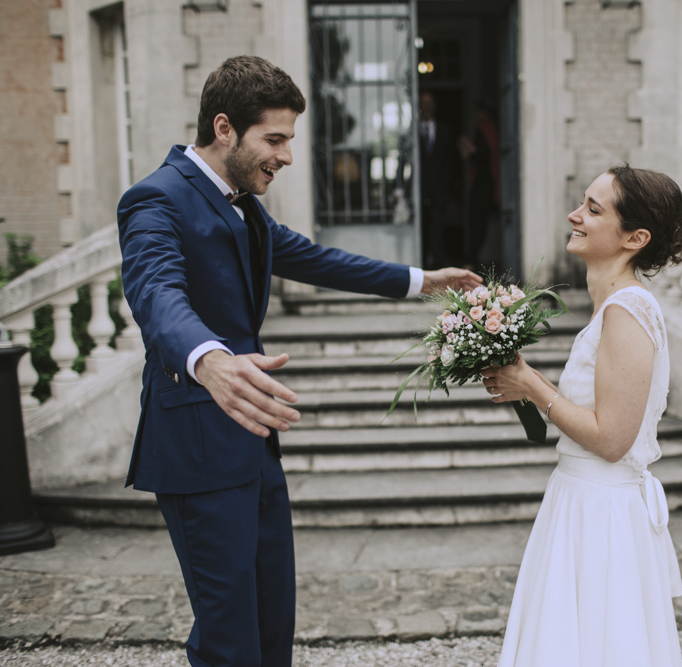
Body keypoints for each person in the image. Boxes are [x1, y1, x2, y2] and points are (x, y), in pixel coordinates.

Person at [117, 55, 481, 667]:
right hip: (198, 447)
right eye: (275, 139)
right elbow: (156, 293)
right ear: (225, 128)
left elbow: (316, 259)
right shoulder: (155, 199)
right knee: (228, 639)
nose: (286, 155)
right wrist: (209, 358)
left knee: (271, 621)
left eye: (289, 139)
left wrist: (423, 280)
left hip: (255, 443)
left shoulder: (244, 205)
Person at [481, 164, 682, 666]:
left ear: (635, 238)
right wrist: (523, 380)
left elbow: (612, 439)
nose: (575, 215)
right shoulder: (613, 305)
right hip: (577, 499)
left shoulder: (627, 310)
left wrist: (532, 385)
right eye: (582, 203)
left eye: (593, 210)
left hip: (603, 513)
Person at [457, 101, 501, 265]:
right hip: (487, 181)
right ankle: (473, 258)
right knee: (477, 222)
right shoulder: (488, 129)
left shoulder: (485, 130)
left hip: (485, 182)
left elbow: (484, 156)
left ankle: (472, 259)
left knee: (478, 222)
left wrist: (470, 151)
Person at [417, 91, 455, 267]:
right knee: (421, 225)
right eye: (423, 103)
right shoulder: (413, 131)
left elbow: (449, 160)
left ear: (434, 106)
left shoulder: (445, 130)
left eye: (429, 103)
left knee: (438, 226)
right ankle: (421, 262)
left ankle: (439, 264)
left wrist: (449, 187)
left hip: (439, 188)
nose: (427, 107)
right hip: (419, 188)